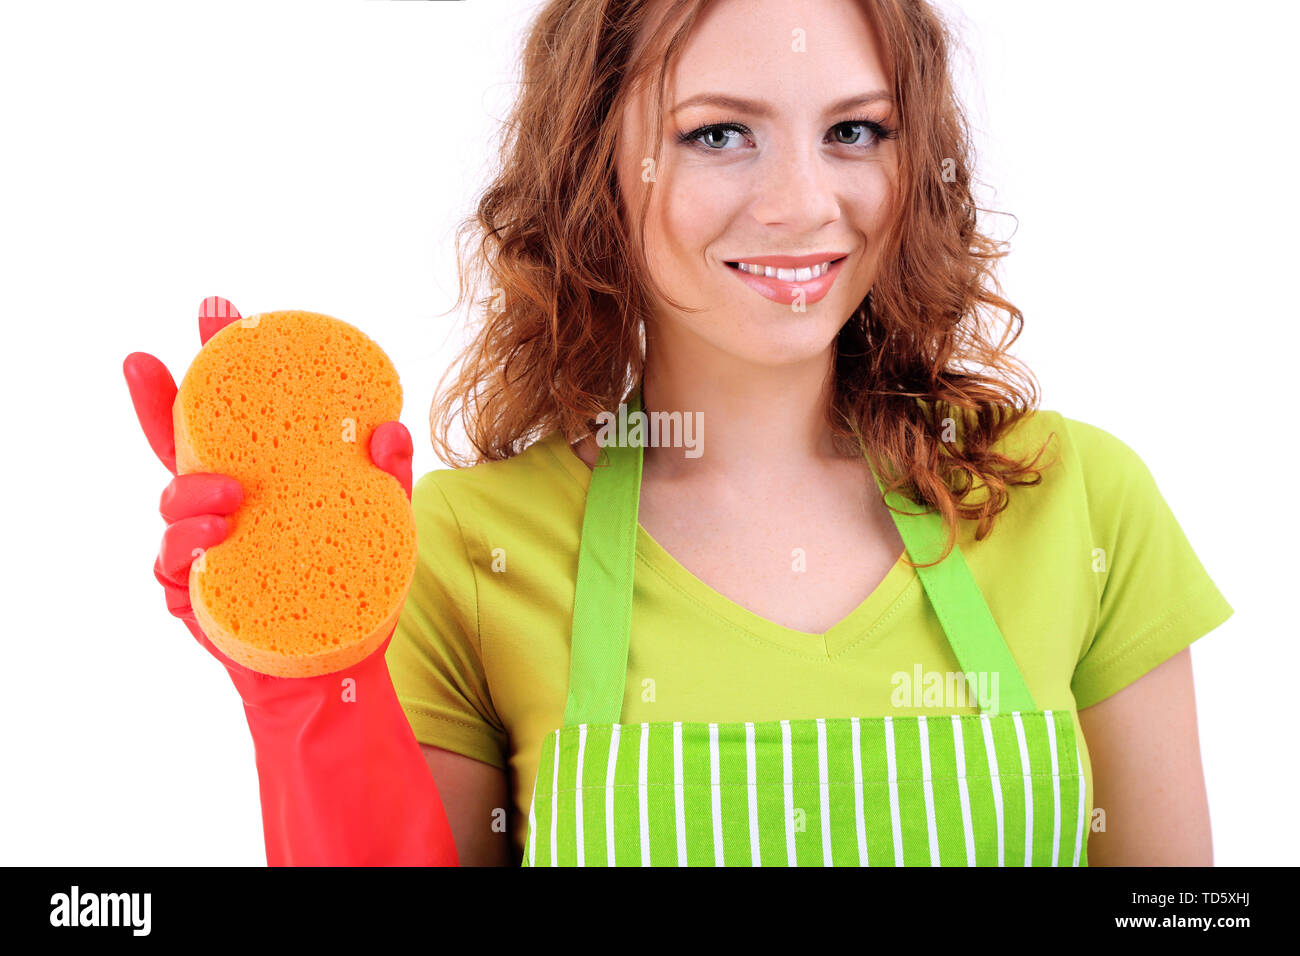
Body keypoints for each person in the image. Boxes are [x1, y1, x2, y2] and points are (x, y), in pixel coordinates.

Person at [131, 0, 1234, 867]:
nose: (805, 202)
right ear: (590, 164)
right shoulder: (467, 545)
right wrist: (311, 690)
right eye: (717, 133)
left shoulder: (1070, 497)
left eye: (855, 130)